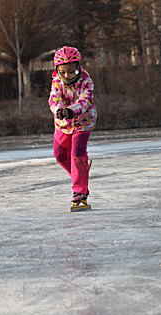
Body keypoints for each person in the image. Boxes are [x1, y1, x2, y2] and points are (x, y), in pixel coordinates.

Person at [49, 46, 97, 207]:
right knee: (60, 154)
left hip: (83, 122)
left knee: (77, 153)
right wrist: (59, 111)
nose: (67, 76)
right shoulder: (56, 82)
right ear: (58, 70)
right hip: (63, 124)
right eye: (63, 72)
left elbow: (85, 101)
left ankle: (80, 191)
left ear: (78, 68)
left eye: (71, 71)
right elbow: (53, 100)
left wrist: (71, 111)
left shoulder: (86, 82)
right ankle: (81, 171)